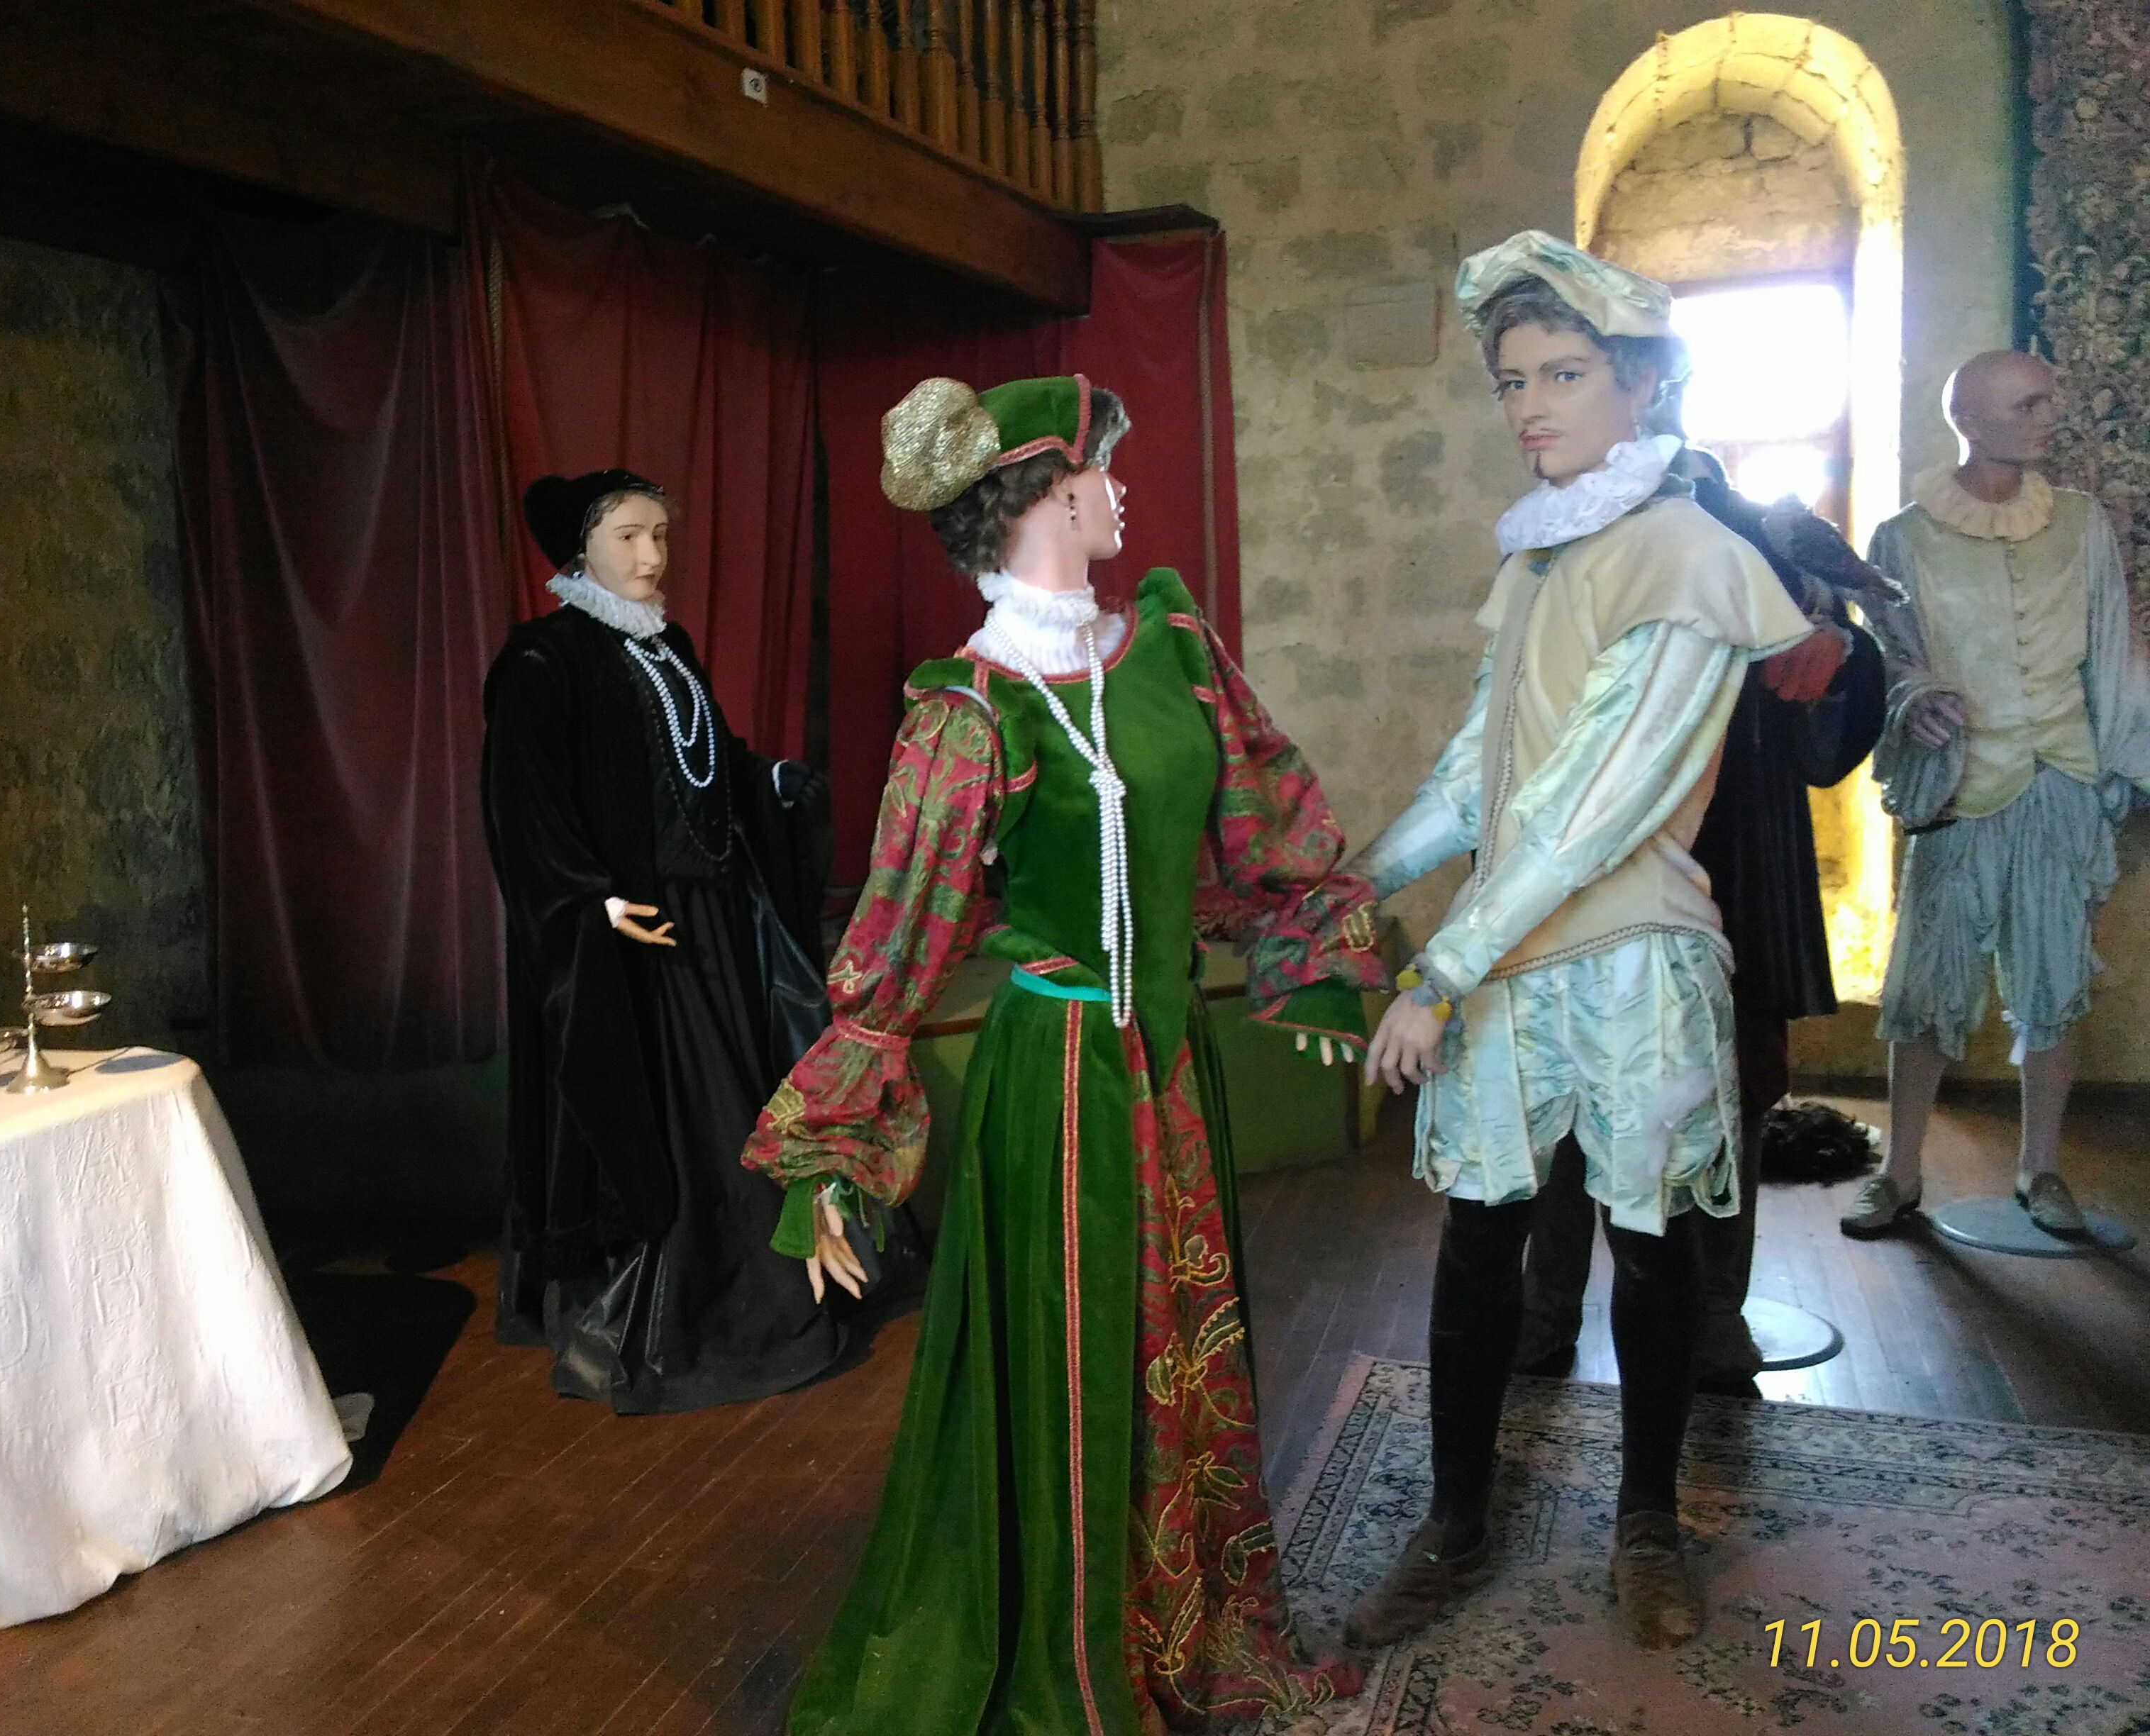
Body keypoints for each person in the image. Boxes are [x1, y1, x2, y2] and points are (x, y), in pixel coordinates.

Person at [741, 374, 1387, 1733]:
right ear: (1043, 491)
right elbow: (898, 937)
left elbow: (1263, 808)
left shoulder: (1167, 645)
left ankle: (1180, 1618)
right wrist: (832, 1150)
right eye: (1101, 467)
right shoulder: (967, 711)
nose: (1119, 488)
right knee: (1065, 1358)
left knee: (1177, 1345)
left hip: (1167, 1065)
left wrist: (1316, 949)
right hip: (1051, 1079)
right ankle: (1067, 1646)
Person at [1347, 232, 1811, 1652]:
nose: (1528, 405)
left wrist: (1437, 967)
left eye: (1561, 375)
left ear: (1643, 384)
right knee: (1478, 1245)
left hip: (1630, 960)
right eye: (1511, 381)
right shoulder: (1545, 550)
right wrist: (1351, 884)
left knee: (1650, 1249)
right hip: (1510, 960)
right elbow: (1479, 773)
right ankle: (1455, 1523)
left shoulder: (1690, 554)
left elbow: (1588, 810)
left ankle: (1647, 1525)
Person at [1517, 435, 1890, 1387]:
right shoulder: (1559, 552)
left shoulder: (1755, 547)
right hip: (1586, 869)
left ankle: (1715, 1318)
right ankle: (1544, 1313)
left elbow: (1823, 730)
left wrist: (1844, 654)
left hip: (1732, 878)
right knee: (1565, 1102)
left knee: (1728, 1103)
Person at [482, 468, 847, 1414]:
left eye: (660, 536)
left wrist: (767, 786)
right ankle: (697, 1309)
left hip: (712, 915)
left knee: (740, 1097)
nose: (652, 556)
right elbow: (523, 805)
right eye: (629, 537)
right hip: (634, 936)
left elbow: (704, 759)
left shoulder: (668, 645)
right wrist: (587, 900)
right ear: (583, 551)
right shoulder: (543, 660)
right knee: (689, 1119)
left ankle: (775, 1278)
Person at [1840, 351, 2150, 1240]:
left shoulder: (2081, 524)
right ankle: (1900, 1174)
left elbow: (2109, 646)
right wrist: (1913, 699)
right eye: (2028, 404)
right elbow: (1891, 655)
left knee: (2055, 980)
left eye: (2049, 400)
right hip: (1960, 788)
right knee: (1925, 987)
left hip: (2061, 779)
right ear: (1971, 422)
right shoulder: (1903, 537)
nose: (2049, 415)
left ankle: (2040, 1169)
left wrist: (2119, 769)